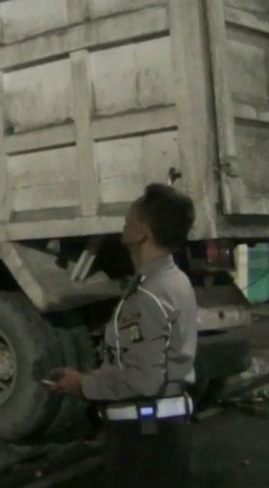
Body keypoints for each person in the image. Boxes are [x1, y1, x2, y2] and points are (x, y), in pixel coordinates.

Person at [49, 183, 197, 487]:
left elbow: (143, 380)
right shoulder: (175, 280)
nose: (123, 224)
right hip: (163, 433)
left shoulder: (148, 295)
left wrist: (82, 384)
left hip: (143, 442)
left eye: (129, 218)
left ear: (142, 231)